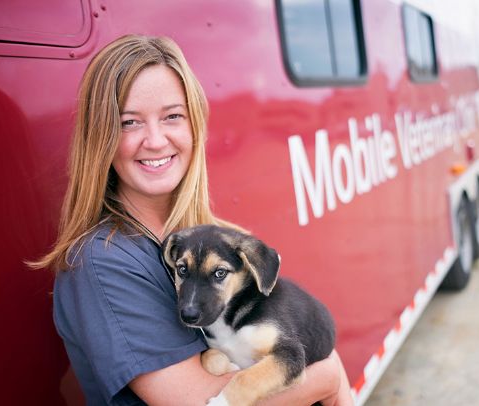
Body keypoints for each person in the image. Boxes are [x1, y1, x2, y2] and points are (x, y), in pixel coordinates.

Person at [33, 35, 352, 405]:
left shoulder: (199, 240)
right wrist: (327, 376)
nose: (155, 140)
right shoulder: (104, 262)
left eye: (172, 116)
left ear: (194, 127)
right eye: (129, 122)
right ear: (100, 138)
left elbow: (291, 338)